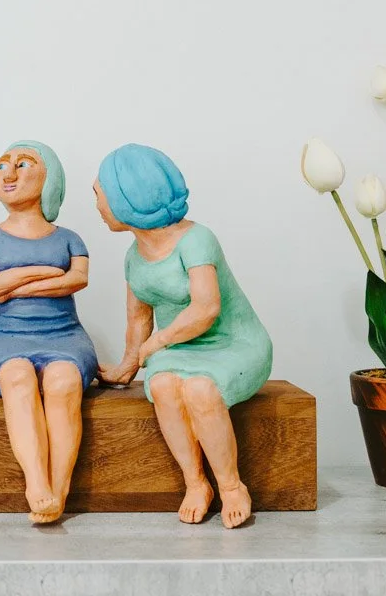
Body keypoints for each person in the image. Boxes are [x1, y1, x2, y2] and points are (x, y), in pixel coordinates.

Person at [94, 143, 273, 529]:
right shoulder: (134, 256)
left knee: (200, 391)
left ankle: (231, 486)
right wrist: (129, 364)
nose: (97, 204)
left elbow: (206, 309)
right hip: (182, 348)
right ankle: (196, 484)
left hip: (234, 344)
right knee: (160, 385)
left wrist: (156, 344)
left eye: (100, 194)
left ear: (129, 198)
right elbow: (139, 317)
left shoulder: (197, 239)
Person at [0, 141, 97, 523]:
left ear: (49, 178)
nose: (8, 173)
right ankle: (36, 483)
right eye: (1, 165)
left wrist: (13, 282)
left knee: (64, 381)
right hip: (4, 336)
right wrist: (45, 271)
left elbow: (77, 279)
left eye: (22, 164)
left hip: (65, 335)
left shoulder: (70, 238)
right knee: (17, 375)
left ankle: (60, 488)